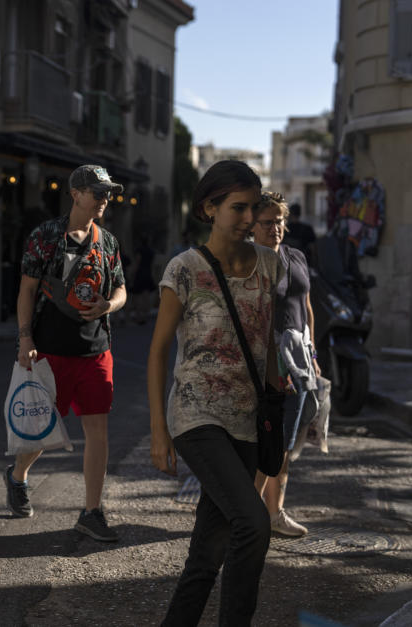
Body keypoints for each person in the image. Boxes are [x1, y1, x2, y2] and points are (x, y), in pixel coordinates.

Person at [147, 160, 284, 625]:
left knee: (207, 554)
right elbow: (158, 352)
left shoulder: (269, 264)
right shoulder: (184, 269)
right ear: (210, 208)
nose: (248, 219)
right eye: (238, 208)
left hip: (246, 420)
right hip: (195, 416)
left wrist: (279, 398)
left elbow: (267, 339)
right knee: (254, 523)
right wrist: (159, 430)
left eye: (253, 207)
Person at [5, 164, 128, 542]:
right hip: (50, 350)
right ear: (75, 194)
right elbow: (26, 291)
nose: (105, 199)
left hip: (95, 351)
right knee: (42, 432)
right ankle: (17, 475)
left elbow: (123, 290)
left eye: (107, 193)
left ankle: (91, 511)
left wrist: (108, 306)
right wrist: (25, 340)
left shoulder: (107, 242)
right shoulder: (45, 236)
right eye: (97, 192)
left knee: (98, 433)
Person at [251, 192, 320, 537]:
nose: (275, 227)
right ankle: (247, 516)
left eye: (279, 220)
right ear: (252, 226)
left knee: (287, 443)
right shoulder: (249, 260)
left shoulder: (296, 256)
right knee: (269, 441)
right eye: (267, 222)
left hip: (299, 359)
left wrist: (314, 354)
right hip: (267, 361)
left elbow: (305, 306)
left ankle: (274, 513)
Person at [130, 235, 157, 324]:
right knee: (146, 297)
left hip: (140, 274)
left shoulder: (139, 250)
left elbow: (137, 263)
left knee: (138, 297)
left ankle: (139, 316)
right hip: (148, 274)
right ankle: (144, 316)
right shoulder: (151, 252)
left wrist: (132, 274)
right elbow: (152, 265)